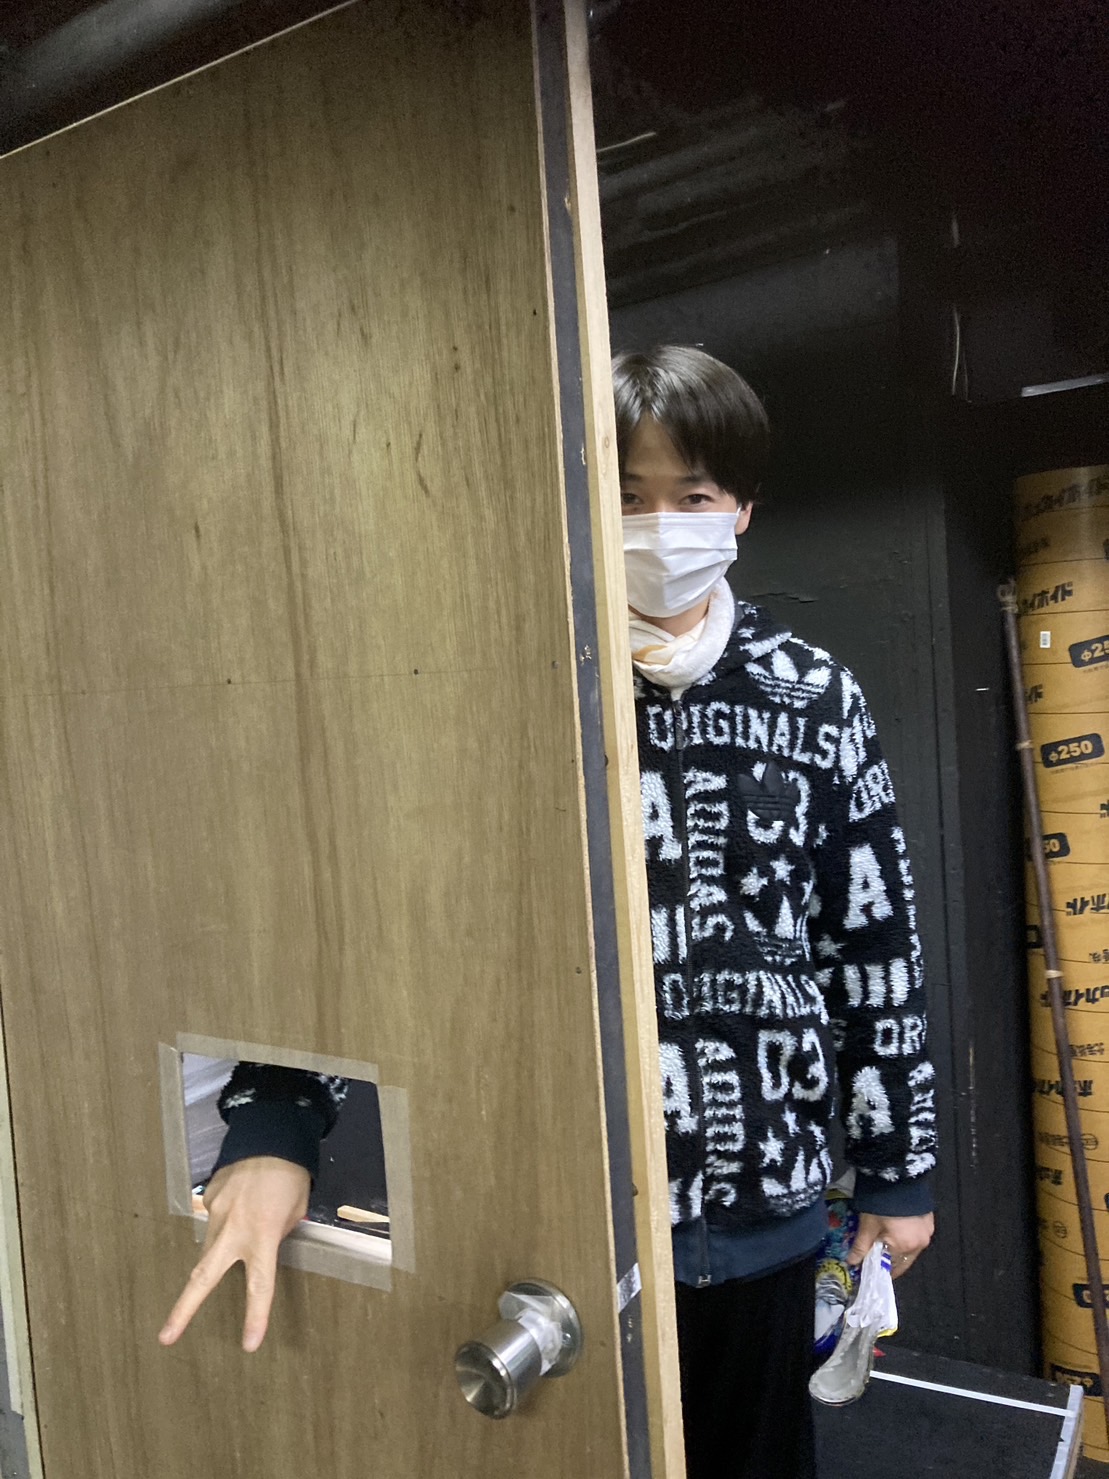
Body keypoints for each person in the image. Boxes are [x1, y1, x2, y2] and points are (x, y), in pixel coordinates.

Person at [160, 345, 936, 1479]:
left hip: (763, 1212)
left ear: (741, 511)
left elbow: (870, 948)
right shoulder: (505, 687)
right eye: (626, 495)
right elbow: (373, 923)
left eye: (691, 497)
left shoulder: (815, 696)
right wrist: (274, 1121)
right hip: (548, 1223)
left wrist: (898, 1169)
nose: (658, 525)